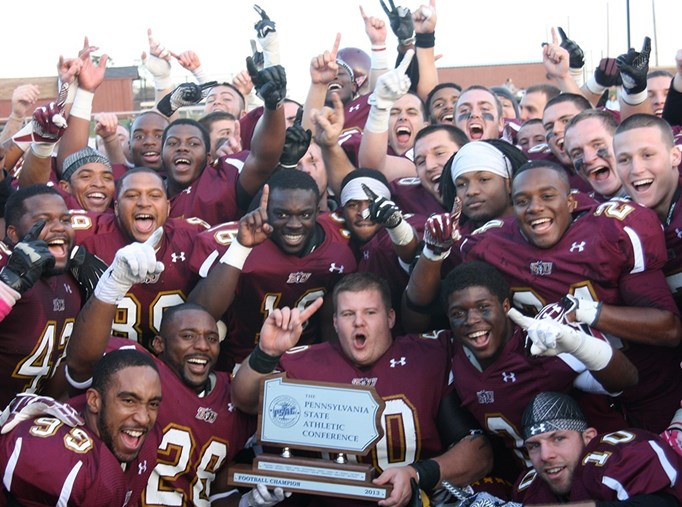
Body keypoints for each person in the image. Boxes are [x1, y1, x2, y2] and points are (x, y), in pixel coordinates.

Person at [231, 272, 493, 507]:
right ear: (335, 322)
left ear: (390, 318)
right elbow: (244, 400)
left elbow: (478, 452)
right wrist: (266, 353)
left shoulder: (428, 356)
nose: (359, 322)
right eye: (348, 314)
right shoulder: (305, 362)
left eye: (370, 312)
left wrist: (417, 474)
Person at [456, 160, 682, 432]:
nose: (535, 207)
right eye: (522, 201)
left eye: (547, 196)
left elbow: (668, 328)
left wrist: (580, 312)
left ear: (571, 202)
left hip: (652, 386)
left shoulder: (611, 231)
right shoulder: (490, 245)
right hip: (579, 396)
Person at [65, 240, 257, 506]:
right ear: (159, 345)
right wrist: (112, 287)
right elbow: (81, 362)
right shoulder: (136, 371)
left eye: (211, 338)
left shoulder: (231, 393)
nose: (202, 346)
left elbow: (219, 484)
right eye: (187, 336)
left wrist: (250, 502)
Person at [189, 170, 357, 372]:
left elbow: (332, 327)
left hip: (305, 364)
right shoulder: (238, 239)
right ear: (266, 210)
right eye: (282, 214)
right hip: (241, 363)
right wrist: (240, 248)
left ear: (318, 211)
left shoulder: (340, 245)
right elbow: (195, 316)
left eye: (304, 214)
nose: (294, 225)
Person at [0, 349, 163, 507]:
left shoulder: (149, 439)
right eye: (129, 401)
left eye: (153, 404)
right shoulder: (67, 466)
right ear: (94, 401)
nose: (143, 418)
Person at [73, 168, 211, 349]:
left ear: (168, 207)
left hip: (171, 359)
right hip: (104, 356)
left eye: (154, 196)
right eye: (132, 196)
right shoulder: (89, 236)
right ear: (116, 208)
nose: (144, 203)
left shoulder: (192, 236)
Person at [514, 391, 682, 505]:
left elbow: (665, 503)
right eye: (534, 446)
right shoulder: (528, 490)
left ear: (588, 438)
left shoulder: (618, 457)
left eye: (558, 439)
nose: (545, 455)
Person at [0, 185, 84, 409]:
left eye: (65, 220)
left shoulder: (73, 279)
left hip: (28, 417)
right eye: (43, 220)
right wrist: (7, 286)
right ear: (13, 234)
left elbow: (66, 369)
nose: (59, 227)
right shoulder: (3, 267)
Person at [613, 114, 682, 311]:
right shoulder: (615, 221)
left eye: (647, 155)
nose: (636, 169)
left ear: (675, 156)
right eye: (624, 160)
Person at [563, 109, 627, 201]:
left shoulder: (649, 199)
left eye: (597, 145)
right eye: (577, 153)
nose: (588, 159)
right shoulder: (580, 207)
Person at [58, 146, 116, 213]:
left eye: (107, 178)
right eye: (86, 176)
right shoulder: (55, 218)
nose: (99, 184)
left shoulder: (121, 217)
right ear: (65, 187)